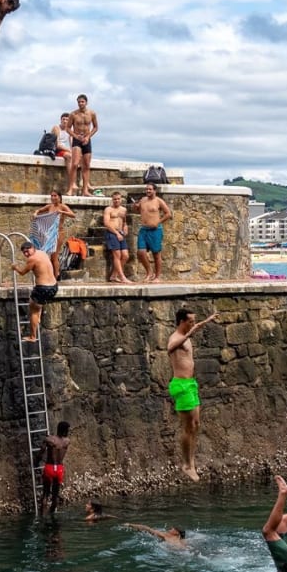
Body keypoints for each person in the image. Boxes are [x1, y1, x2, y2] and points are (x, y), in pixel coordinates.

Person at [166, 308, 218, 481]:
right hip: (181, 386)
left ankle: (191, 461)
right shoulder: (176, 338)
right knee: (188, 427)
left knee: (196, 424)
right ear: (182, 322)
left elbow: (196, 327)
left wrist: (208, 320)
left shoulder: (186, 335)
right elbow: (170, 348)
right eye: (190, 322)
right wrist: (190, 334)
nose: (193, 325)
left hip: (191, 384)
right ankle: (187, 464)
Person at [12, 242, 58, 342]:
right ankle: (38, 317)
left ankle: (32, 336)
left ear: (33, 248)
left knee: (33, 310)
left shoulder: (32, 259)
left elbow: (22, 273)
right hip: (54, 287)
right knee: (36, 303)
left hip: (42, 288)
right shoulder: (43, 253)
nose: (26, 254)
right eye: (24, 253)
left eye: (27, 251)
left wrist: (15, 268)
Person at [133, 184, 174, 282]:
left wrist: (158, 222)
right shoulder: (143, 200)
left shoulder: (158, 201)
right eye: (147, 189)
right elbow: (139, 211)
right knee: (141, 252)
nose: (148, 191)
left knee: (156, 254)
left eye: (150, 189)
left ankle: (157, 277)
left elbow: (168, 214)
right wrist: (135, 207)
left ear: (155, 190)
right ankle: (149, 272)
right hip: (144, 229)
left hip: (155, 230)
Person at [33, 192, 75, 273]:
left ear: (59, 197)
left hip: (58, 233)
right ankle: (50, 275)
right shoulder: (49, 206)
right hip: (48, 234)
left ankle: (56, 276)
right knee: (46, 255)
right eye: (51, 196)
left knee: (54, 256)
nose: (53, 197)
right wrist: (35, 213)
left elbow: (73, 215)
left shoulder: (63, 206)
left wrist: (62, 212)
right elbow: (39, 210)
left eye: (55, 196)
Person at [67, 95, 99, 196]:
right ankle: (71, 188)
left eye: (82, 102)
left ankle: (85, 190)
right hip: (77, 139)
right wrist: (75, 136)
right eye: (79, 102)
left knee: (87, 165)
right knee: (75, 163)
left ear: (86, 102)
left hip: (87, 139)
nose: (80, 104)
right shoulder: (73, 114)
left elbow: (95, 127)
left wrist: (88, 137)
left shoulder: (92, 113)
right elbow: (68, 128)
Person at [40, 421, 71, 517]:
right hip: (59, 469)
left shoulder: (49, 440)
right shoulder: (67, 441)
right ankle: (52, 516)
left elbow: (41, 451)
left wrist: (36, 459)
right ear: (64, 430)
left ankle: (43, 518)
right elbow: (59, 443)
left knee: (45, 493)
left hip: (49, 467)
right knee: (55, 495)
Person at [102, 192, 132, 283]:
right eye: (115, 199)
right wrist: (116, 233)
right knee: (117, 255)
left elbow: (124, 221)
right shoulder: (108, 209)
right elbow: (106, 223)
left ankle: (114, 275)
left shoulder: (124, 209)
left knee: (125, 256)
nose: (117, 201)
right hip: (112, 233)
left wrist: (125, 227)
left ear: (121, 199)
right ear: (112, 199)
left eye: (118, 199)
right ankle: (122, 277)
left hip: (121, 233)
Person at [122, 522, 190, 550]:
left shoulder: (166, 536)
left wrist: (130, 525)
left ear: (176, 532)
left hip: (174, 551)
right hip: (184, 551)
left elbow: (147, 528)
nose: (171, 528)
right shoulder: (181, 538)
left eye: (173, 529)